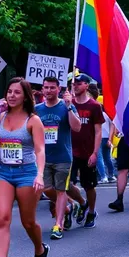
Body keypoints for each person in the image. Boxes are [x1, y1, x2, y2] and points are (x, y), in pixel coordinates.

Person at [0, 77, 48, 257]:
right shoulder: (0, 116)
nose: (12, 95)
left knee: (28, 221)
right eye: (9, 91)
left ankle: (40, 249)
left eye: (17, 92)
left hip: (27, 173)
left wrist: (39, 175)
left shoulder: (33, 120)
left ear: (25, 96)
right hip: (3, 173)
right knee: (2, 219)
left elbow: (40, 149)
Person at [36, 76, 81, 239]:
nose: (48, 90)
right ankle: (69, 206)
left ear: (58, 89)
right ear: (42, 89)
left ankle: (58, 224)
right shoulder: (38, 109)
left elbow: (77, 128)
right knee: (46, 189)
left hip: (63, 157)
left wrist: (69, 107)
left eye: (52, 88)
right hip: (43, 158)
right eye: (46, 87)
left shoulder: (66, 106)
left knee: (61, 190)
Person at [69, 74, 103, 228]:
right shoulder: (69, 104)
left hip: (87, 152)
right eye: (73, 83)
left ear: (86, 86)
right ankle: (82, 203)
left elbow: (98, 131)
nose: (75, 85)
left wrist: (95, 152)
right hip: (69, 151)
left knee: (89, 185)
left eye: (78, 83)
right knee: (65, 184)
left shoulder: (94, 106)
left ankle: (91, 211)